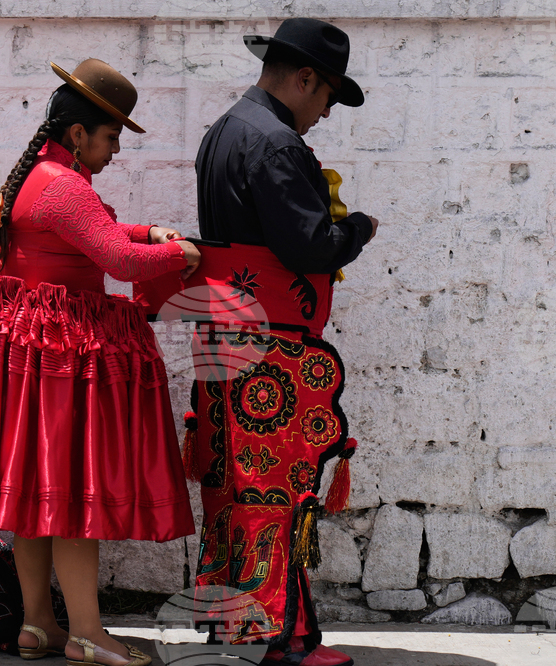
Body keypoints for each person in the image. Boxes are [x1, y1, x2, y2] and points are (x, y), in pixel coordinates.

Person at [0, 59, 200, 666]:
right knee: (73, 494)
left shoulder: (37, 178)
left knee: (34, 496)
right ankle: (87, 632)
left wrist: (148, 228)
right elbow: (118, 260)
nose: (114, 151)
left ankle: (37, 625)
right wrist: (179, 252)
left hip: (29, 363)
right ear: (79, 133)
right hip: (60, 366)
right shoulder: (65, 187)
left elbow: (95, 230)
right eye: (110, 138)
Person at [190, 19, 377, 666]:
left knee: (236, 492)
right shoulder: (275, 144)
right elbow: (309, 246)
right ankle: (284, 643)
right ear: (304, 79)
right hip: (273, 351)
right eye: (326, 97)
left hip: (224, 340)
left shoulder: (223, 132)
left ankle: (238, 626)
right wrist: (355, 229)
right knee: (280, 495)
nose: (324, 113)